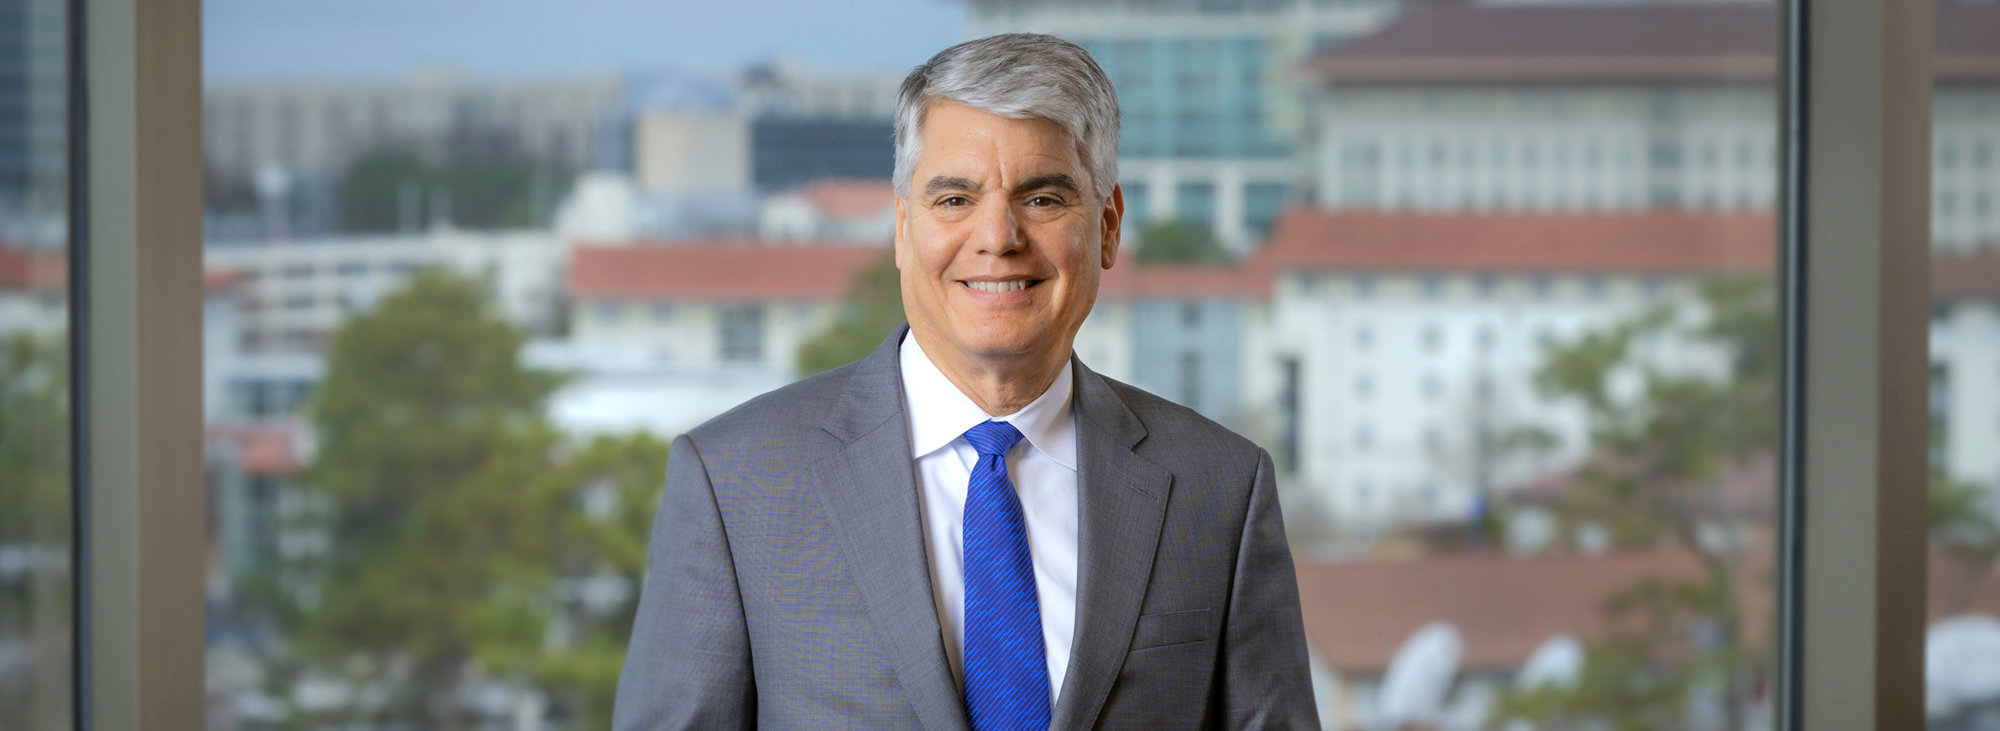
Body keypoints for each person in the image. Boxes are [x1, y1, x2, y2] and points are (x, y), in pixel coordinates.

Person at [612, 33, 1318, 731]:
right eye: (954, 199)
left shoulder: (1220, 486)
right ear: (901, 227)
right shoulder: (734, 483)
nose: (997, 236)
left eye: (1042, 199)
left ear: (1107, 225)